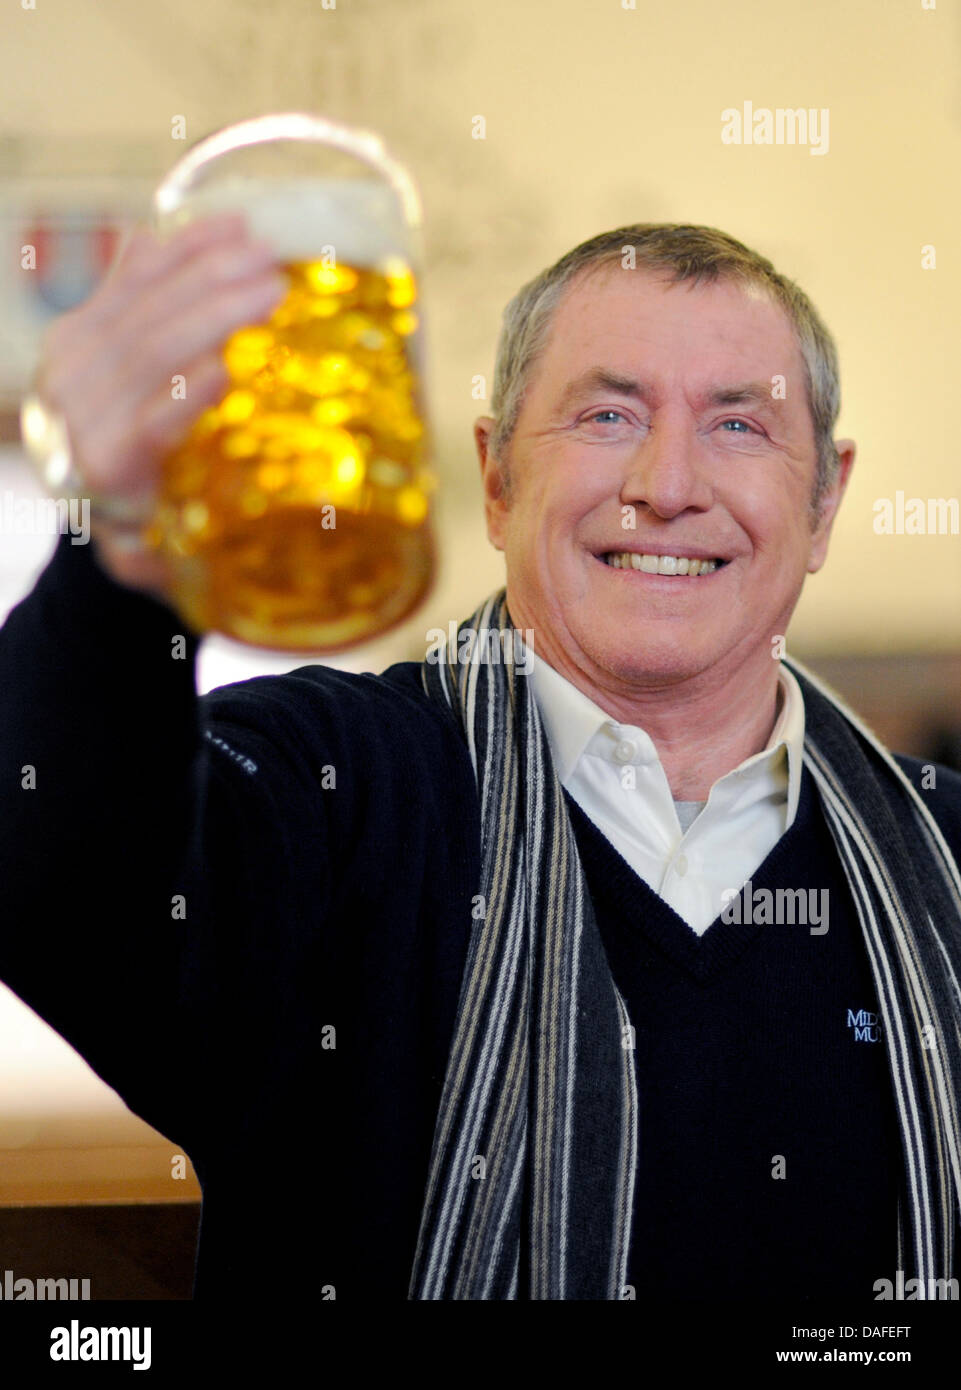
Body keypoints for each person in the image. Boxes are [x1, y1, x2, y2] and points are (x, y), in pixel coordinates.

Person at [2, 215, 960, 1306]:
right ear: (496, 477)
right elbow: (60, 873)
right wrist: (121, 544)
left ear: (822, 500)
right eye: (608, 415)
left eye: (739, 425)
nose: (669, 482)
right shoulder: (337, 789)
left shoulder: (949, 855)